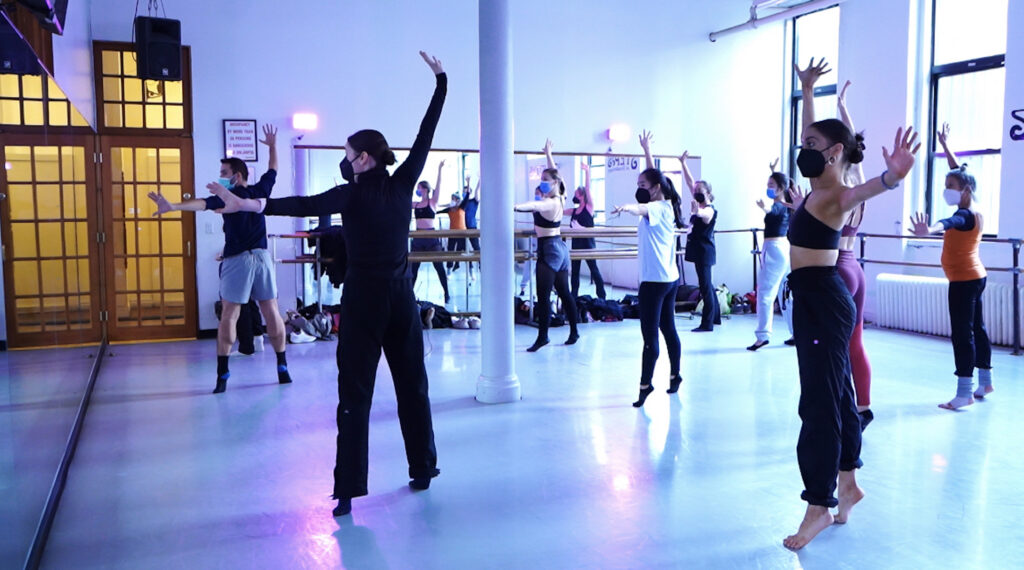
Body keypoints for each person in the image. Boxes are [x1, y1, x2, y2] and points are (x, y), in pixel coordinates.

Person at [208, 51, 446, 517]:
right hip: (401, 300)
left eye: (347, 154)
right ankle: (422, 468)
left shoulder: (350, 195)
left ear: (362, 158)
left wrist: (247, 205)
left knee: (355, 392)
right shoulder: (402, 184)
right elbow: (426, 132)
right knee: (412, 386)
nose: (344, 160)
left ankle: (347, 491)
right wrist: (441, 82)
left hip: (363, 303)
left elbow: (297, 204)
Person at [782, 56, 920, 551]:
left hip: (824, 297)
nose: (804, 152)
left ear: (835, 152)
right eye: (804, 146)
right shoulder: (816, 187)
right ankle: (848, 483)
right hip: (814, 298)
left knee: (817, 402)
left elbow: (872, 184)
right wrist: (807, 90)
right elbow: (816, 135)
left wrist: (894, 177)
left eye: (813, 148)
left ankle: (817, 505)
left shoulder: (837, 194)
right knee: (838, 391)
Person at [149, 125, 290, 394]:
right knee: (270, 310)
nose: (221, 178)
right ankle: (282, 367)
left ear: (236, 176)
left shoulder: (226, 197)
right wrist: (272, 145)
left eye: (224, 174)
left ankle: (222, 375)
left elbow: (202, 203)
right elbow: (273, 169)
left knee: (230, 314)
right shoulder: (260, 190)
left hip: (237, 260)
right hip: (262, 258)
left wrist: (173, 207)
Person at [908, 122, 993, 410]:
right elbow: (961, 172)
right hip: (976, 276)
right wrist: (945, 147)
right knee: (977, 329)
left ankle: (964, 392)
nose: (946, 191)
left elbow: (949, 223)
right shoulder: (975, 201)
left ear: (964, 190)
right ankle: (985, 381)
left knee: (962, 333)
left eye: (950, 187)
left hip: (964, 280)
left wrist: (929, 229)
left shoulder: (965, 215)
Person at [611, 154, 685, 407]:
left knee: (650, 337)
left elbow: (641, 208)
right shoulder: (668, 206)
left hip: (654, 283)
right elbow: (656, 180)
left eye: (643, 185)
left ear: (655, 188)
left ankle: (645, 385)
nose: (638, 189)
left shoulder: (654, 208)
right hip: (670, 278)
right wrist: (647, 150)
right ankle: (675, 376)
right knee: (669, 329)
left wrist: (625, 208)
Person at [512, 139, 580, 352]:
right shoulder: (561, 196)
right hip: (559, 247)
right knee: (564, 292)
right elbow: (556, 175)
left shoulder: (550, 201)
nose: (541, 182)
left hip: (549, 248)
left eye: (544, 179)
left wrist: (513, 206)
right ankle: (574, 331)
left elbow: (534, 205)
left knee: (543, 295)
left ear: (553, 184)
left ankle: (543, 336)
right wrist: (549, 154)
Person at [834, 80, 874, 428]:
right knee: (856, 343)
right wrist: (844, 108)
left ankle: (844, 410)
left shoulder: (840, 191)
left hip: (838, 269)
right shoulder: (859, 181)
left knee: (835, 348)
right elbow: (852, 143)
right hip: (856, 269)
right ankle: (863, 408)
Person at [673, 143, 720, 332]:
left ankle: (707, 323)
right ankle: (715, 318)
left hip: (704, 252)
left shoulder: (708, 209)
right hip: (700, 251)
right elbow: (689, 182)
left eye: (700, 192)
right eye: (695, 192)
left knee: (705, 287)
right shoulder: (700, 203)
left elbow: (705, 216)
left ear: (708, 193)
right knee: (707, 285)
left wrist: (695, 212)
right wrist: (683, 164)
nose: (696, 193)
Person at [748, 169, 793, 351]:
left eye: (771, 185)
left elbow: (772, 211)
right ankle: (795, 332)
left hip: (774, 249)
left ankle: (763, 335)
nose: (768, 188)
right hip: (784, 247)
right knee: (786, 295)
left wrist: (763, 208)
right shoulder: (786, 205)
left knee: (766, 293)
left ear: (781, 188)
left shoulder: (779, 205)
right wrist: (772, 169)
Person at [410, 160, 451, 304]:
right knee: (413, 268)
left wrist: (440, 169)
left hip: (431, 238)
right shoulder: (415, 204)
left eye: (419, 187)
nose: (418, 190)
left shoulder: (432, 202)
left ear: (425, 189)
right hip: (418, 238)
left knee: (439, 267)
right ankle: (409, 294)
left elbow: (438, 185)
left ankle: (446, 293)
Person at [566, 161, 607, 299]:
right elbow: (558, 210)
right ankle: (573, 297)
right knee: (575, 273)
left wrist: (587, 172)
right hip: (576, 245)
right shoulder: (574, 210)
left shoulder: (589, 207)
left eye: (577, 194)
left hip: (588, 244)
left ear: (582, 195)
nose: (575, 197)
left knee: (594, 270)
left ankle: (602, 296)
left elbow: (588, 188)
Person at [461, 174, 481, 280]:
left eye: (466, 191)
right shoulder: (462, 203)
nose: (465, 192)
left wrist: (479, 180)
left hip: (472, 227)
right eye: (463, 191)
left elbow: (477, 191)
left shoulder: (474, 201)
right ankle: (471, 270)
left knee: (476, 248)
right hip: (463, 228)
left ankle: (482, 267)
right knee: (465, 250)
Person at [441, 191, 466, 273]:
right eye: (451, 199)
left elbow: (467, 198)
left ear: (458, 200)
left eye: (453, 199)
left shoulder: (461, 207)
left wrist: (468, 190)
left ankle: (469, 269)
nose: (452, 200)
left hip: (462, 233)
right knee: (450, 250)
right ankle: (449, 269)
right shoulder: (449, 209)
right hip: (452, 232)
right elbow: (438, 211)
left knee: (462, 250)